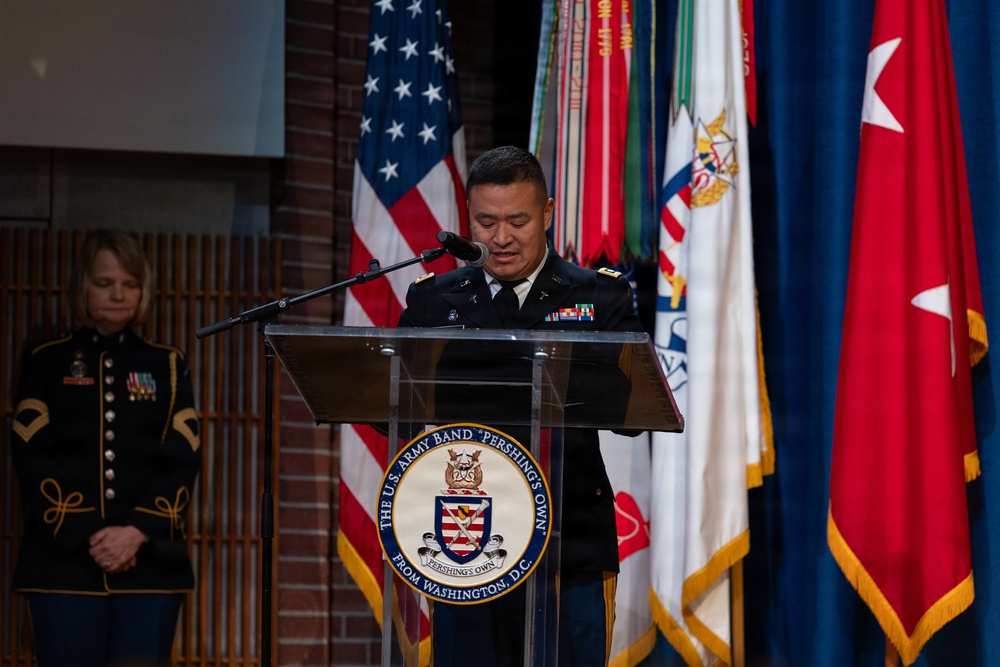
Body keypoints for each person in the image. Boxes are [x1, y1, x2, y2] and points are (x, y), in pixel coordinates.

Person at [398, 146, 643, 666]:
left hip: (569, 540)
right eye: (486, 222)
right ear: (468, 219)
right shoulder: (432, 301)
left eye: (518, 221)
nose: (501, 237)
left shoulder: (599, 298)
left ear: (548, 213)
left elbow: (628, 409)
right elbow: (393, 409)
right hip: (465, 538)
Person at [10, 230, 201, 667]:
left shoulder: (167, 364)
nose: (119, 294)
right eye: (104, 283)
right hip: (63, 566)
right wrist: (91, 537)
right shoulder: (45, 360)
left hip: (150, 566)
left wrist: (134, 534)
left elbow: (183, 459)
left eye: (130, 284)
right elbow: (31, 457)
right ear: (82, 286)